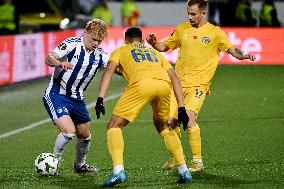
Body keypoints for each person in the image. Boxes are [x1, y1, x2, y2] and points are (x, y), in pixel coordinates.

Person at [146, 0, 256, 172]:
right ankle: (177, 158)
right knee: (170, 122)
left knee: (189, 118)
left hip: (199, 85)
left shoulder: (215, 33)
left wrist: (245, 55)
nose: (189, 17)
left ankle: (197, 161)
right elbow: (164, 46)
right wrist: (154, 43)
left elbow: (233, 50)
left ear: (203, 13)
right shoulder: (182, 29)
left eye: (193, 14)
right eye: (188, 13)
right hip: (178, 85)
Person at [95, 27, 192, 187]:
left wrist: (100, 98)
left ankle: (118, 171)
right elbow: (174, 77)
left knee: (114, 125)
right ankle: (183, 170)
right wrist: (181, 106)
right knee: (163, 126)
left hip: (142, 84)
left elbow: (108, 72)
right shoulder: (154, 52)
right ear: (141, 40)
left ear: (126, 40)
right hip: (164, 85)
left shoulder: (120, 50)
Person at [42, 19, 108, 175]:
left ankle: (80, 165)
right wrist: (59, 63)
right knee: (69, 131)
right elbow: (49, 58)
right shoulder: (71, 44)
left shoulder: (100, 55)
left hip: (77, 99)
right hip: (57, 94)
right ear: (85, 33)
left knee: (85, 134)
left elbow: (114, 68)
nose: (96, 43)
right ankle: (54, 164)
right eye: (93, 39)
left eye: (99, 41)